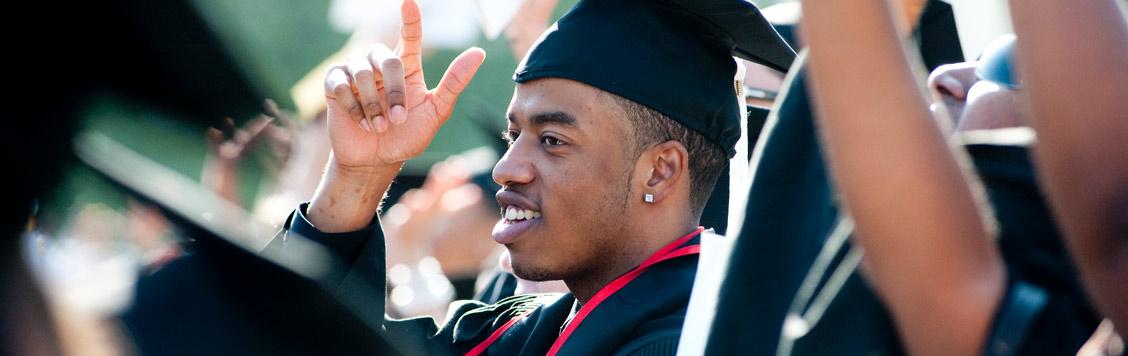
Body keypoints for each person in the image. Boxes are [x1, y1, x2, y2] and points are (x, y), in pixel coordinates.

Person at [269, 0, 794, 354]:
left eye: (552, 141)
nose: (505, 167)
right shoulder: (529, 325)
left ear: (660, 170)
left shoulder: (692, 340)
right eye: (511, 135)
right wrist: (358, 175)